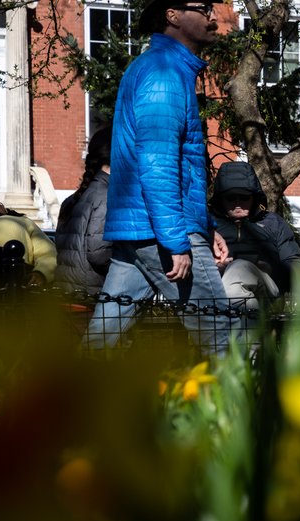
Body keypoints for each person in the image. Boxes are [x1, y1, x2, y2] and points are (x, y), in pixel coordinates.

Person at [82, 0, 232, 354]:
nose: (213, 15)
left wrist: (206, 227)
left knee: (101, 343)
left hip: (144, 229)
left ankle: (53, 403)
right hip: (160, 231)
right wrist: (177, 242)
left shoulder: (163, 68)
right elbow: (158, 164)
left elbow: (172, 166)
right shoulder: (163, 72)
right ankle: (239, 409)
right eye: (204, 7)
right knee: (220, 335)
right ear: (173, 15)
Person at [210, 160, 300, 310]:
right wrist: (212, 268)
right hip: (215, 289)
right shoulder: (208, 226)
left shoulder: (272, 223)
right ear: (220, 199)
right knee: (235, 278)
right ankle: (251, 332)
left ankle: (239, 331)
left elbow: (296, 267)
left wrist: (271, 268)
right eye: (231, 198)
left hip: (267, 289)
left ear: (254, 197)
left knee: (238, 270)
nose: (238, 203)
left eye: (244, 197)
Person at [55, 127, 113, 295]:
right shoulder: (106, 196)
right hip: (91, 294)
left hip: (68, 292)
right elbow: (98, 252)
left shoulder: (72, 199)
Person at [0, 198, 58, 287]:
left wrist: (40, 274)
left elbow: (49, 254)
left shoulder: (20, 221)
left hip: (23, 283)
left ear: (3, 207)